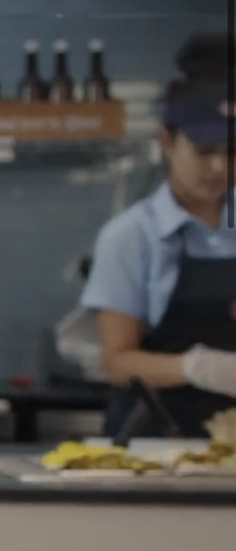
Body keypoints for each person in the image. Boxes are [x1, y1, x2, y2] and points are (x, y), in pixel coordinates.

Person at [82, 32, 235, 437]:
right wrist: (198, 368)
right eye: (204, 151)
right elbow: (118, 362)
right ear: (167, 143)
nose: (219, 167)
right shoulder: (133, 236)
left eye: (233, 152)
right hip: (158, 444)